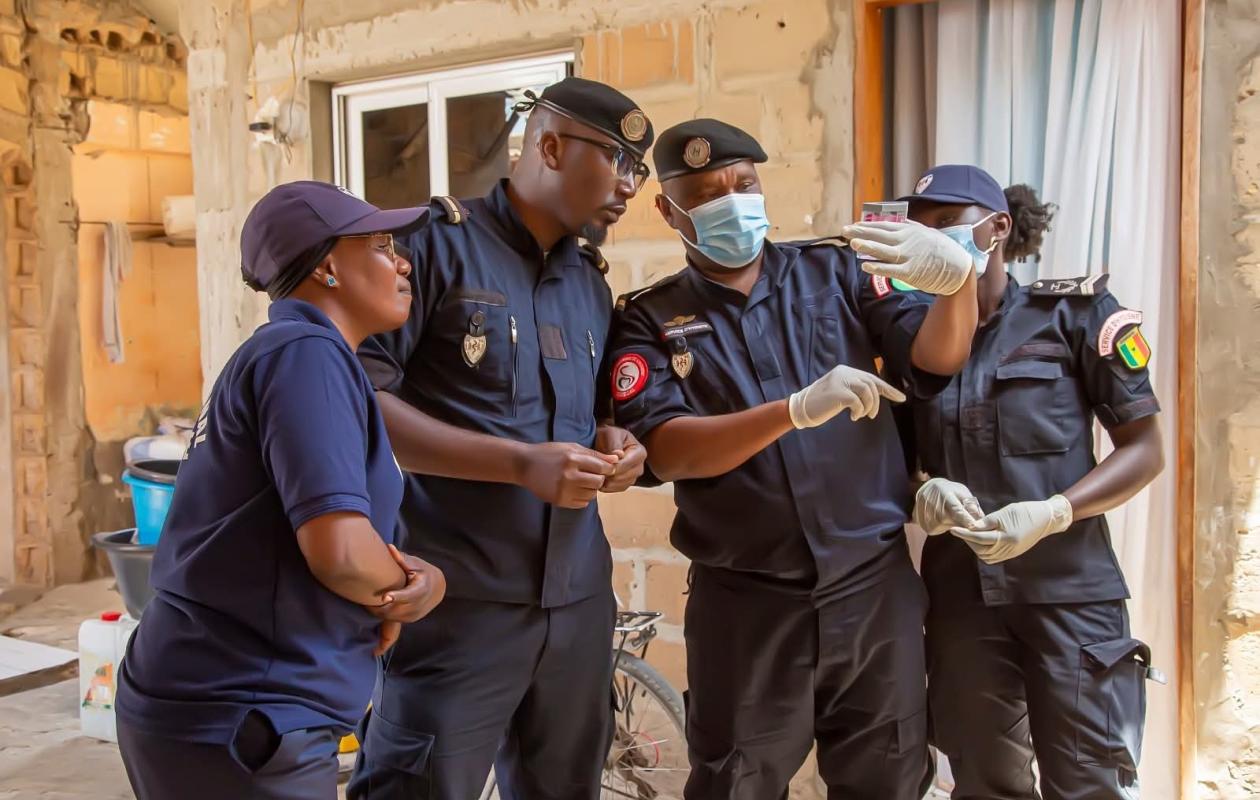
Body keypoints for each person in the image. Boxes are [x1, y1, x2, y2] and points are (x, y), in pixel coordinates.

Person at [606, 118, 981, 800]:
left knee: (890, 779)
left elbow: (934, 362)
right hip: (748, 606)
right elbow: (668, 449)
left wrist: (958, 288)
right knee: (735, 782)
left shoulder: (837, 272)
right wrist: (794, 410)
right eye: (706, 192)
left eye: (743, 184)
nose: (730, 201)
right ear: (668, 209)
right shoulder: (647, 319)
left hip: (872, 590)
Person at [348, 76, 651, 800]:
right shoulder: (431, 247)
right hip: (458, 601)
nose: (631, 186)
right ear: (549, 145)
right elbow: (362, 399)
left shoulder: (590, 283)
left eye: (639, 170)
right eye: (617, 160)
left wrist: (620, 443)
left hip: (576, 600)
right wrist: (517, 464)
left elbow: (595, 411)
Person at [115, 181, 447, 800]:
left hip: (229, 698)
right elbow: (342, 552)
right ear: (326, 266)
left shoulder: (306, 356)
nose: (402, 261)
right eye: (379, 245)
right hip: (242, 707)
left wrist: (390, 580)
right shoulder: (305, 354)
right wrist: (415, 585)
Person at [902, 164, 1166, 799]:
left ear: (998, 228)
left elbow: (1146, 448)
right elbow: (897, 458)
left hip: (1071, 595)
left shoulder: (1072, 314)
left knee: (1089, 784)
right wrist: (920, 492)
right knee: (984, 784)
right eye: (922, 228)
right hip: (963, 600)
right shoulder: (910, 338)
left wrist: (1054, 511)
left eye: (947, 224)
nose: (934, 239)